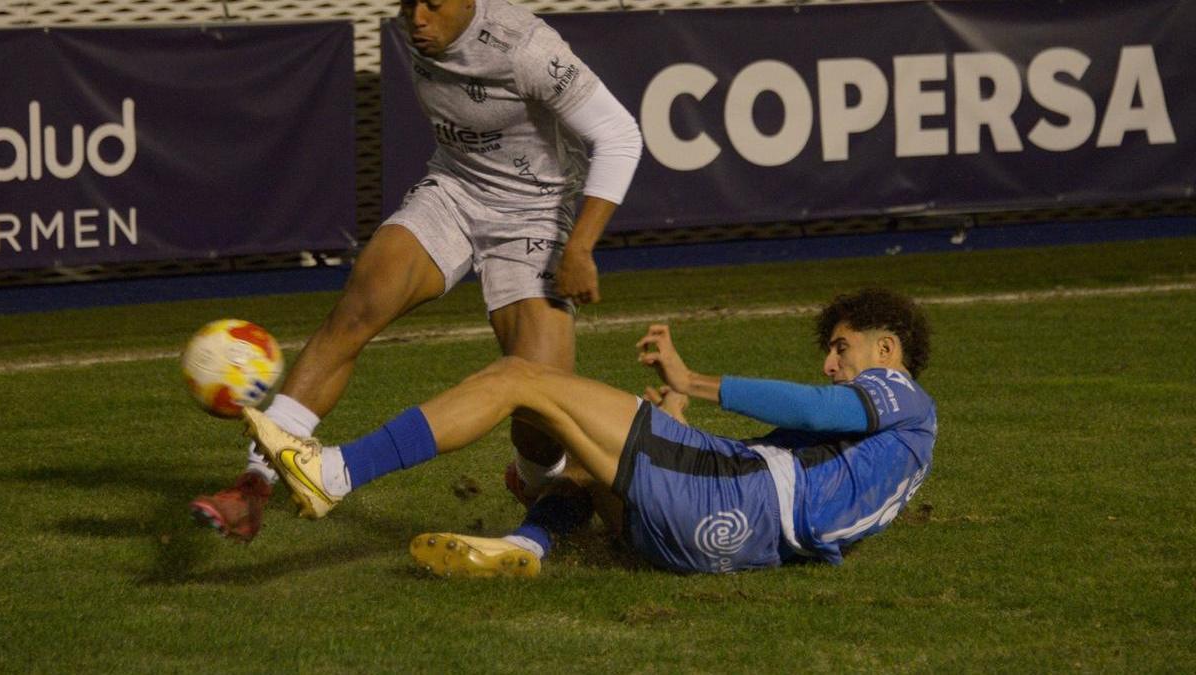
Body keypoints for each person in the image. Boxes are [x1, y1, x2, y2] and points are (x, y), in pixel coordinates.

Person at [190, 0, 643, 541]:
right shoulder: (421, 31)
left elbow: (619, 136)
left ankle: (538, 481)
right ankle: (255, 484)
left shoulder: (527, 47)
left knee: (541, 406)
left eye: (432, 4)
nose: (417, 19)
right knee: (358, 307)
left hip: (535, 214)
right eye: (408, 5)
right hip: (453, 191)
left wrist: (580, 249)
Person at [243, 288, 938, 576]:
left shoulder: (904, 395)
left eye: (841, 349)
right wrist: (676, 417)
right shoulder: (887, 455)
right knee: (586, 457)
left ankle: (332, 471)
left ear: (886, 350)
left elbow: (818, 411)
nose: (829, 362)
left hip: (733, 504)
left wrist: (693, 382)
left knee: (520, 376)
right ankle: (525, 546)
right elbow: (774, 475)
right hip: (718, 540)